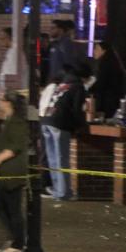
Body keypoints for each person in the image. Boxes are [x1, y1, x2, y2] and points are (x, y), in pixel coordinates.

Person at [0, 91, 29, 252]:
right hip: (6, 172)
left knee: (12, 208)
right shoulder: (8, 120)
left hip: (13, 171)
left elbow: (15, 147)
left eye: (0, 99)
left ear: (8, 103)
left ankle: (18, 243)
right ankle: (14, 237)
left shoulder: (16, 122)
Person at [41, 62, 89, 201]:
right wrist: (80, 124)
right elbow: (76, 109)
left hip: (47, 120)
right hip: (59, 123)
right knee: (62, 158)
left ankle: (57, 190)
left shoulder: (63, 84)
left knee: (52, 158)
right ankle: (63, 193)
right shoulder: (78, 86)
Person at [90, 40, 125, 119]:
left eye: (96, 49)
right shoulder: (113, 63)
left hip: (107, 101)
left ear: (103, 51)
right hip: (113, 99)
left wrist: (90, 89)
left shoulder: (105, 64)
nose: (94, 51)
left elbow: (101, 83)